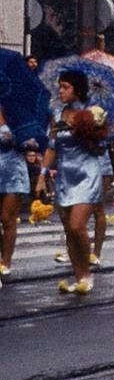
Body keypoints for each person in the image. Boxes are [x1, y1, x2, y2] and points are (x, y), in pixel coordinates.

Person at [36, 71, 105, 294]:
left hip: (87, 172)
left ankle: (87, 271)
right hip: (65, 174)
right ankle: (79, 275)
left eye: (65, 87)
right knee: (68, 228)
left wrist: (86, 132)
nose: (61, 91)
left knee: (77, 226)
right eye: (60, 87)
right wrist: (42, 175)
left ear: (77, 89)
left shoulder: (91, 112)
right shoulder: (58, 114)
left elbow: (100, 148)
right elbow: (52, 147)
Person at [0, 105, 34, 282]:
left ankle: (6, 261)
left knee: (7, 218)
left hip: (14, 174)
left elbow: (33, 143)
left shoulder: (18, 117)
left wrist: (18, 140)